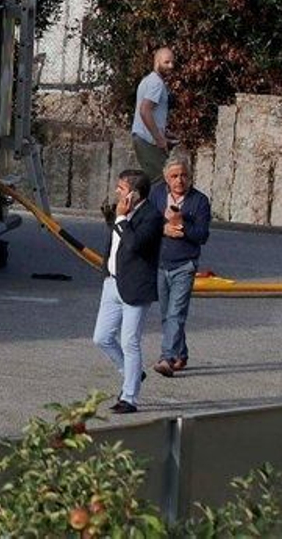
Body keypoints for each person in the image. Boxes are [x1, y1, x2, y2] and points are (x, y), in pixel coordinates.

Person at [92, 170, 163, 413]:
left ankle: (129, 397)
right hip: (112, 283)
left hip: (136, 287)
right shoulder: (119, 211)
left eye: (121, 188)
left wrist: (121, 220)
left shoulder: (151, 216)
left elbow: (134, 245)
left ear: (134, 193)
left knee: (130, 341)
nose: (116, 192)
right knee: (101, 337)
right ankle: (131, 373)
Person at [152, 151, 211, 377]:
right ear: (166, 177)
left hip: (184, 265)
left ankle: (166, 358)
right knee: (167, 314)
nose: (179, 181)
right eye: (174, 176)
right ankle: (181, 353)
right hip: (161, 263)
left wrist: (181, 225)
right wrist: (163, 228)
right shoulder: (157, 195)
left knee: (176, 313)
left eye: (184, 176)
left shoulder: (199, 201)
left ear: (190, 177)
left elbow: (202, 235)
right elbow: (146, 224)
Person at [131, 46, 176, 185]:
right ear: (157, 62)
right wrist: (159, 138)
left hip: (144, 138)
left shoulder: (148, 80)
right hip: (148, 141)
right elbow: (145, 110)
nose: (171, 66)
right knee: (163, 181)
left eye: (172, 62)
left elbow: (152, 113)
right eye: (166, 62)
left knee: (155, 181)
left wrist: (164, 132)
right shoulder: (156, 83)